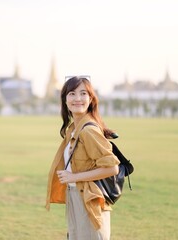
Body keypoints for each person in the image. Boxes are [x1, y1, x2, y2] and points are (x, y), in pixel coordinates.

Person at [46, 76, 120, 240]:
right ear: (65, 99)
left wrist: (74, 177)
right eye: (72, 93)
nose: (77, 98)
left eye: (83, 93)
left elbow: (112, 168)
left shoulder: (88, 130)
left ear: (91, 99)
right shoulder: (73, 129)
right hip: (75, 196)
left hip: (88, 200)